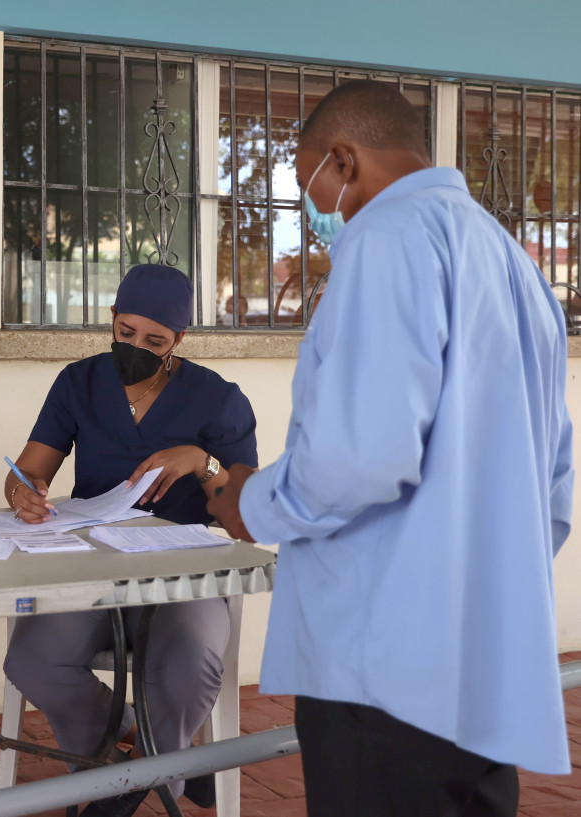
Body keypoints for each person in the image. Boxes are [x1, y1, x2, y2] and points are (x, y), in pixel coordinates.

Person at [207, 80, 574, 817]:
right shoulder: (510, 259)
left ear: (343, 161)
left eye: (308, 179)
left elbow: (360, 456)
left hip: (385, 665)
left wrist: (251, 503)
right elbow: (555, 483)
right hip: (485, 660)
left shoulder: (386, 238)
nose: (311, 208)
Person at [3, 263, 258, 812]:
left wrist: (203, 462)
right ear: (113, 317)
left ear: (179, 340)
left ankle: (120, 788)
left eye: (155, 341)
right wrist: (25, 492)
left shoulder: (217, 399)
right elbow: (27, 471)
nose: (136, 348)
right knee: (32, 660)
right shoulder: (79, 383)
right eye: (126, 332)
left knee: (189, 666)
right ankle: (144, 757)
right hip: (92, 567)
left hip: (183, 577)